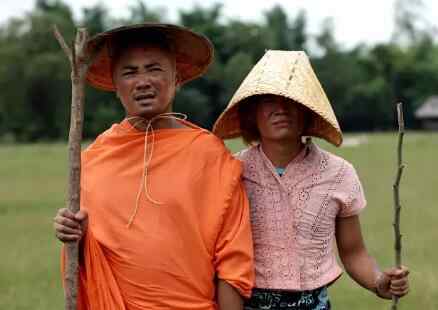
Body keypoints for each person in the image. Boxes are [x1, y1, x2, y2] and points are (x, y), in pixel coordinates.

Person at [53, 23, 254, 310]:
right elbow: (90, 258)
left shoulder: (209, 155)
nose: (143, 81)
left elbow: (233, 260)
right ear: (115, 84)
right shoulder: (94, 159)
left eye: (154, 69)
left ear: (177, 77)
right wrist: (75, 233)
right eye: (129, 72)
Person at [213, 50, 409, 309]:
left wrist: (379, 281)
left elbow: (353, 251)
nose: (281, 108)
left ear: (307, 111)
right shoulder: (231, 172)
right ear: (251, 113)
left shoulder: (339, 173)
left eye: (291, 100)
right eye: (268, 100)